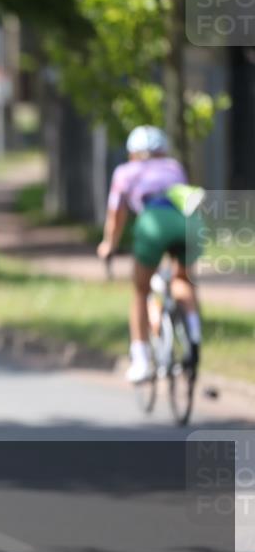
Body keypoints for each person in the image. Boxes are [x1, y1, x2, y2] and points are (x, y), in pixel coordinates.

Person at [96, 125, 203, 383]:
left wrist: (109, 244)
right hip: (189, 223)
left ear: (132, 153)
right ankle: (194, 338)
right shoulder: (174, 167)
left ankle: (141, 361)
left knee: (140, 290)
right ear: (162, 150)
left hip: (154, 222)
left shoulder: (124, 172)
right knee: (181, 280)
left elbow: (116, 214)